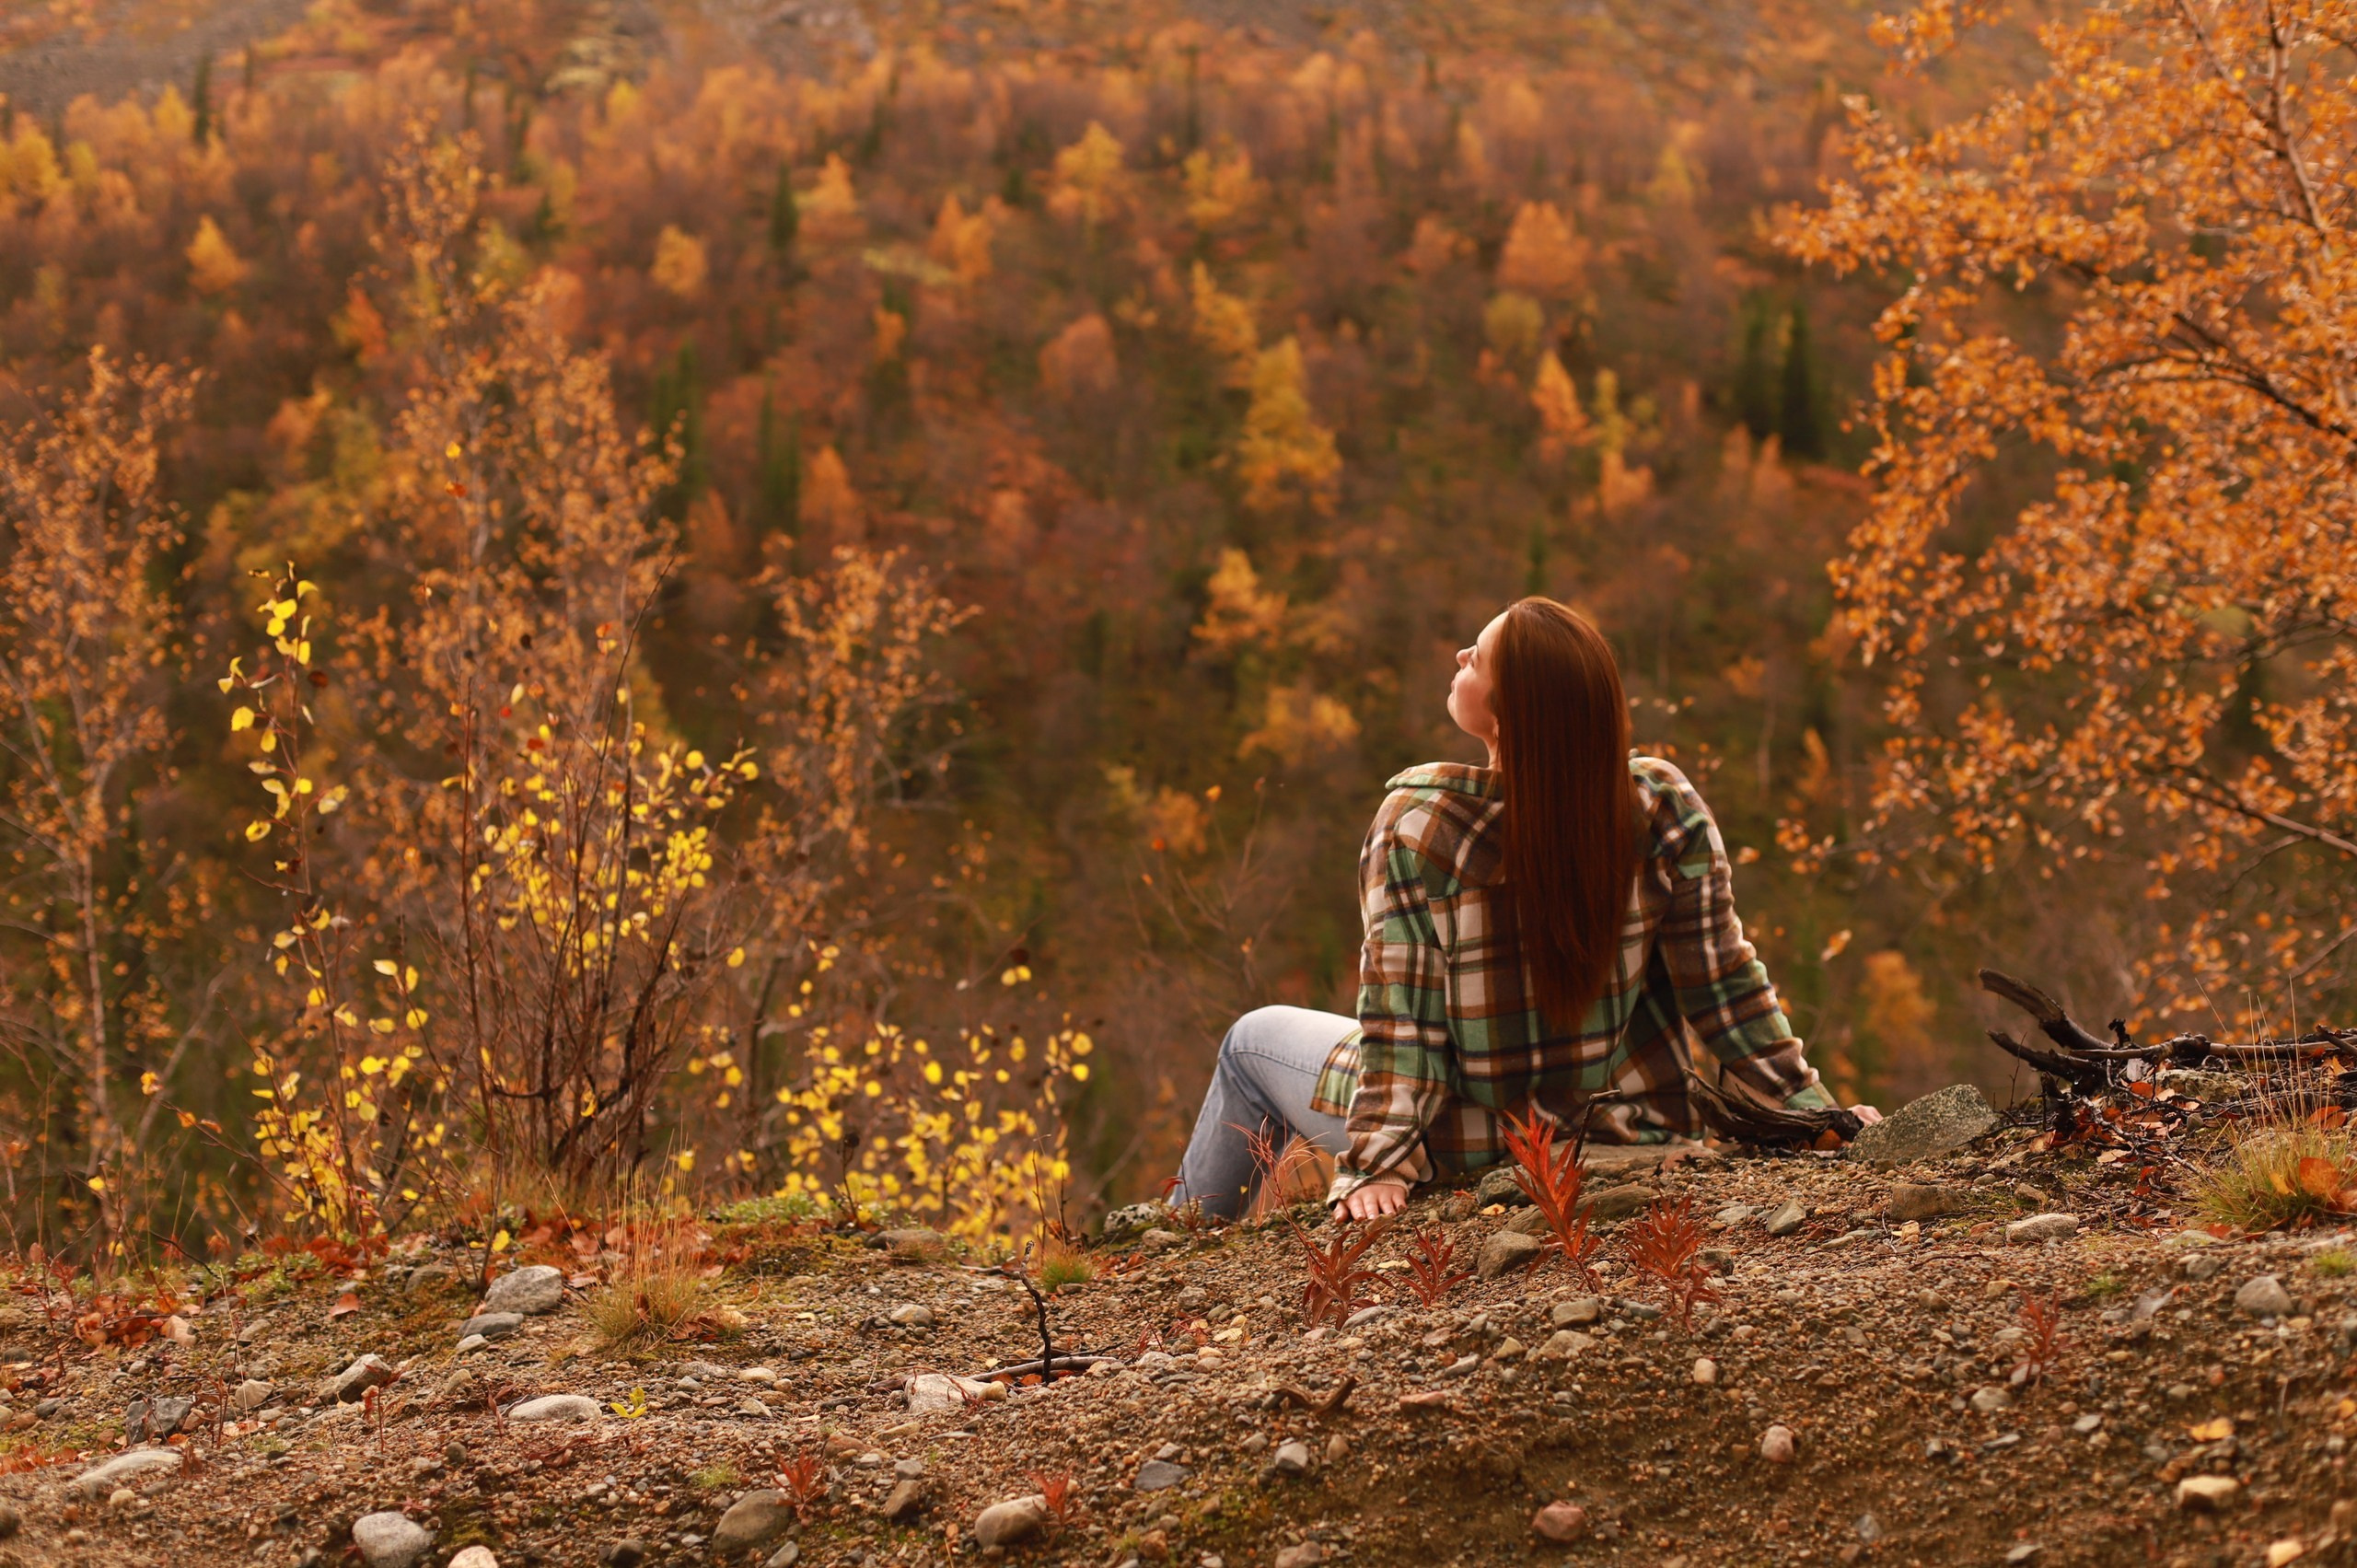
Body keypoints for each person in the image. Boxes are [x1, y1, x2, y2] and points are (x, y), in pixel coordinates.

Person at [1170, 597, 1879, 1223]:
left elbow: (1404, 1020)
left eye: (1476, 657)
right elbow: (1724, 988)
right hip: (1625, 1126)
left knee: (1249, 1043)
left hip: (1462, 1138)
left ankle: (1182, 1237)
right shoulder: (1660, 805)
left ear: (1508, 711)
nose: (1460, 656)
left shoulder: (1418, 825)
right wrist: (1811, 1111)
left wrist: (1381, 1160)